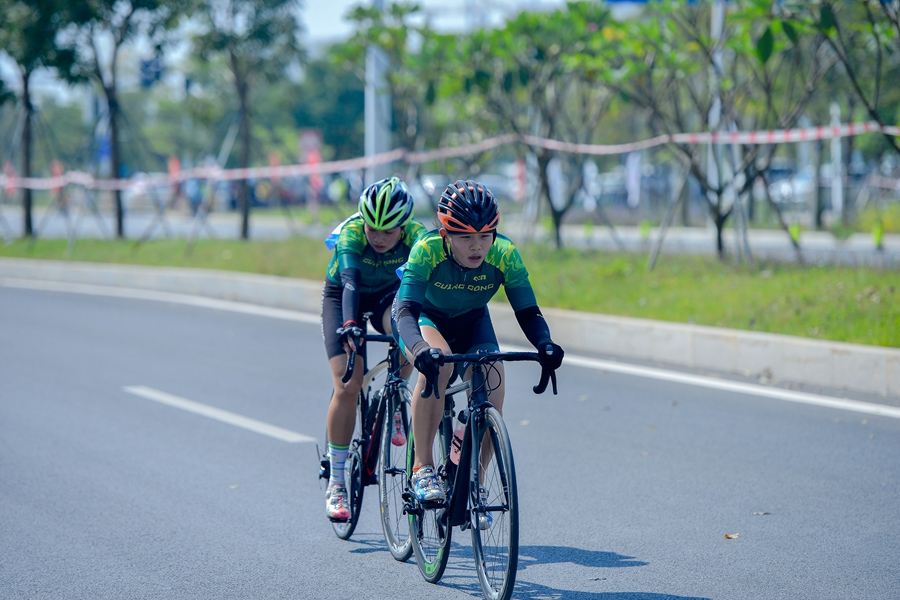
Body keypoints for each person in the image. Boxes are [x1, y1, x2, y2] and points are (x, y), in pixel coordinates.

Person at [392, 179, 564, 508]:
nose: (477, 247)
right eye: (466, 237)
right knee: (437, 366)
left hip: (473, 321)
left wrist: (545, 342)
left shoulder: (505, 255)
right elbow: (405, 312)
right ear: (446, 234)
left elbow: (528, 311)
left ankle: (475, 480)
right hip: (424, 319)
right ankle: (422, 467)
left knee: (494, 384)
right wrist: (418, 351)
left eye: (485, 236)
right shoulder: (426, 250)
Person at [322, 176, 425, 521]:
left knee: (409, 338)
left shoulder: (417, 236)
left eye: (388, 231)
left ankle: (395, 398)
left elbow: (417, 288)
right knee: (349, 384)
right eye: (373, 229)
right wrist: (350, 325)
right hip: (344, 295)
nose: (379, 238)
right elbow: (350, 283)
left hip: (386, 296)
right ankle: (337, 481)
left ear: (403, 226)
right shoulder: (352, 234)